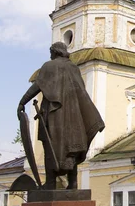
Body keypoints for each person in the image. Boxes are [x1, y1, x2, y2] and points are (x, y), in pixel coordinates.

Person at [17, 42, 105, 190]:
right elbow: (81, 92)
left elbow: (37, 85)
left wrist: (22, 102)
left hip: (54, 115)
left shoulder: (49, 66)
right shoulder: (73, 68)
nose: (50, 55)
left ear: (54, 52)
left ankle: (51, 183)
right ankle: (73, 183)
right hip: (73, 117)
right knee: (72, 148)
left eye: (51, 52)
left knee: (50, 146)